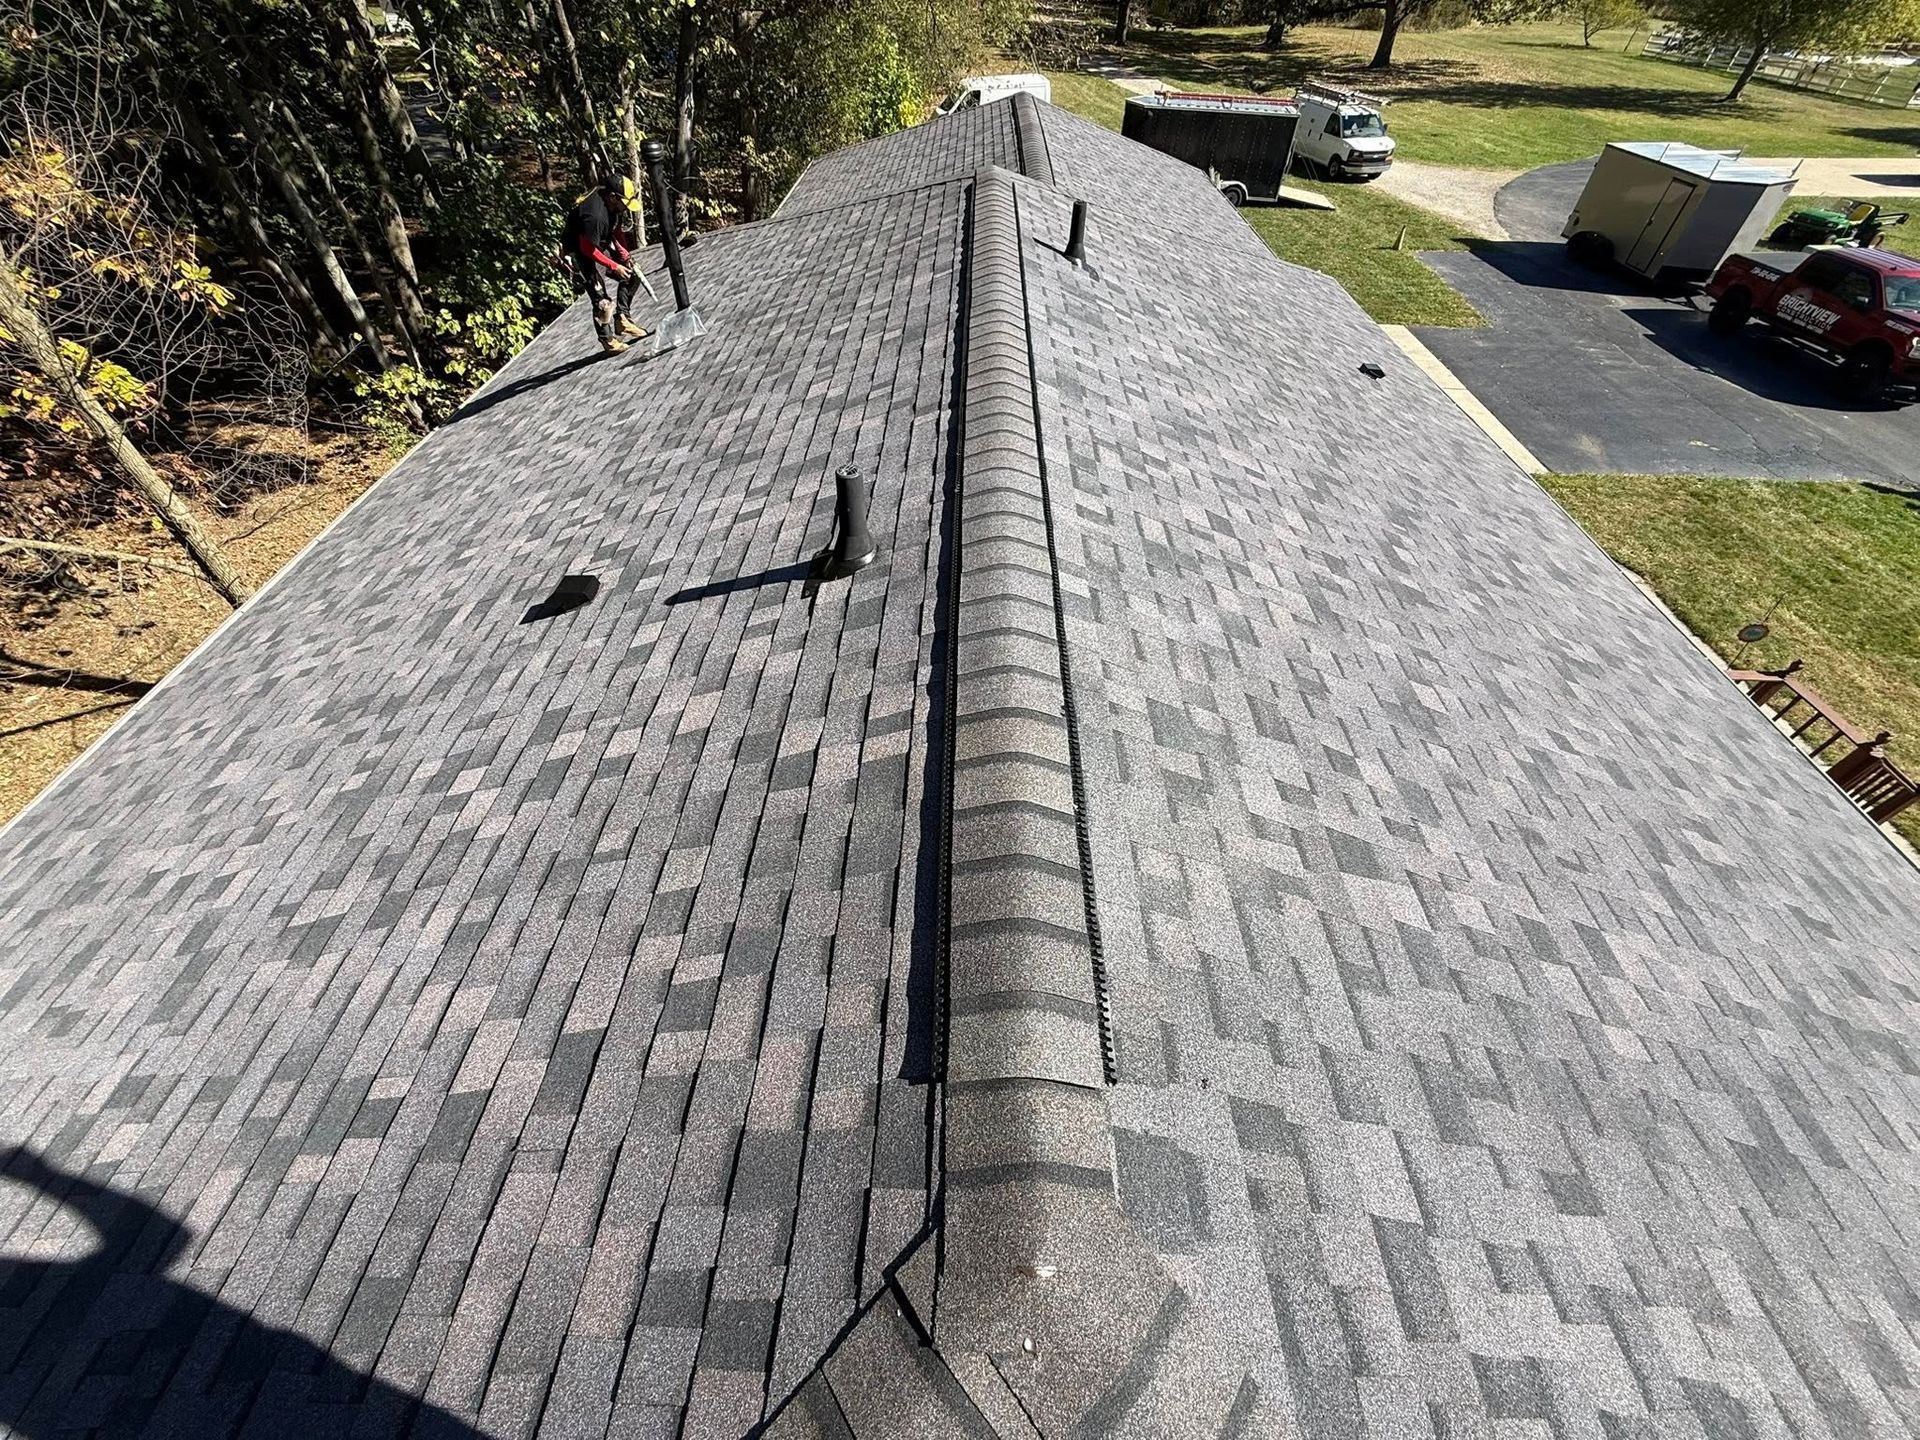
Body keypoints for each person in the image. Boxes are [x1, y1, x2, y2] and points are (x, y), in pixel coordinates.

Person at [560, 176, 648, 353]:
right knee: (603, 303)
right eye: (624, 203)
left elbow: (616, 230)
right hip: (579, 253)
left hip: (598, 244)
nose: (626, 208)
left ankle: (623, 319)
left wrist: (625, 256)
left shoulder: (614, 205)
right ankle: (608, 341)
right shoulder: (595, 215)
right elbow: (587, 249)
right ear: (613, 197)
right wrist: (614, 266)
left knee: (633, 274)